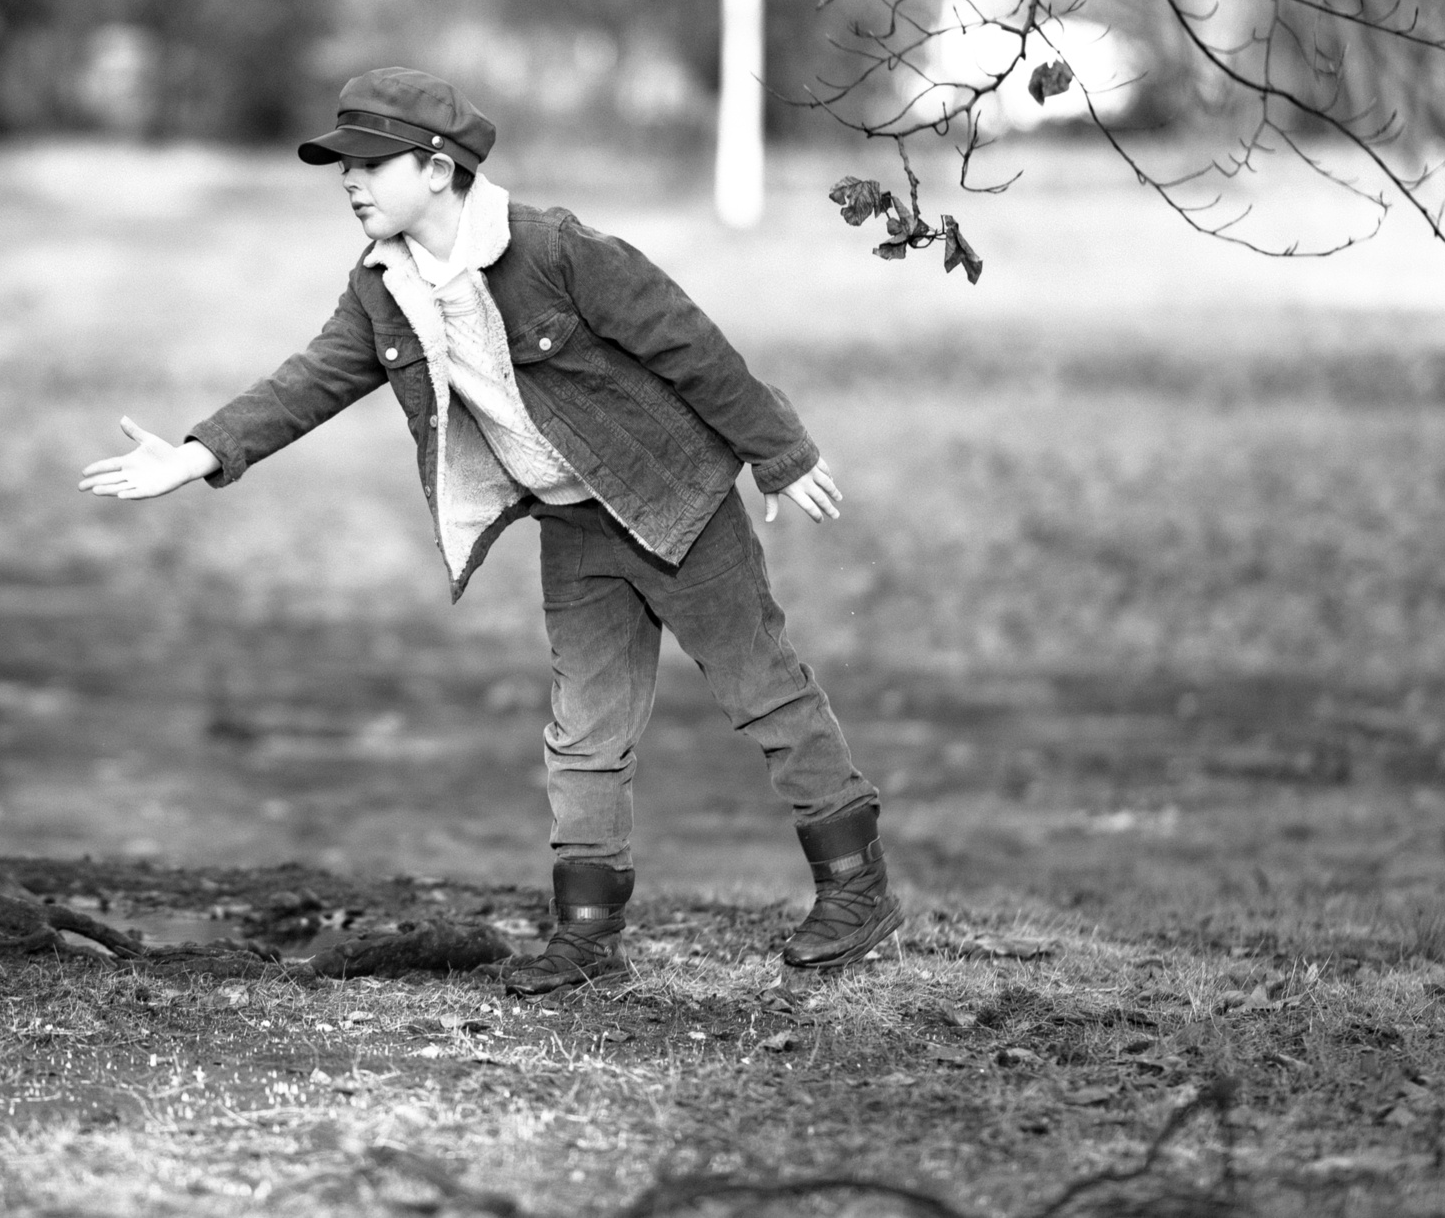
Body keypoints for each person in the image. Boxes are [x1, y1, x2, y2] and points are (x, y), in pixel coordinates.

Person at [78, 67, 901, 992]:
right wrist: (197, 454)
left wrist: (777, 449)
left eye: (370, 164)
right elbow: (307, 383)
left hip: (675, 498)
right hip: (574, 526)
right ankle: (587, 941)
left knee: (762, 688)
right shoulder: (381, 287)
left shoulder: (553, 248)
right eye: (342, 166)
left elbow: (687, 340)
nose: (349, 180)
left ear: (438, 169)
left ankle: (856, 887)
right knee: (584, 733)